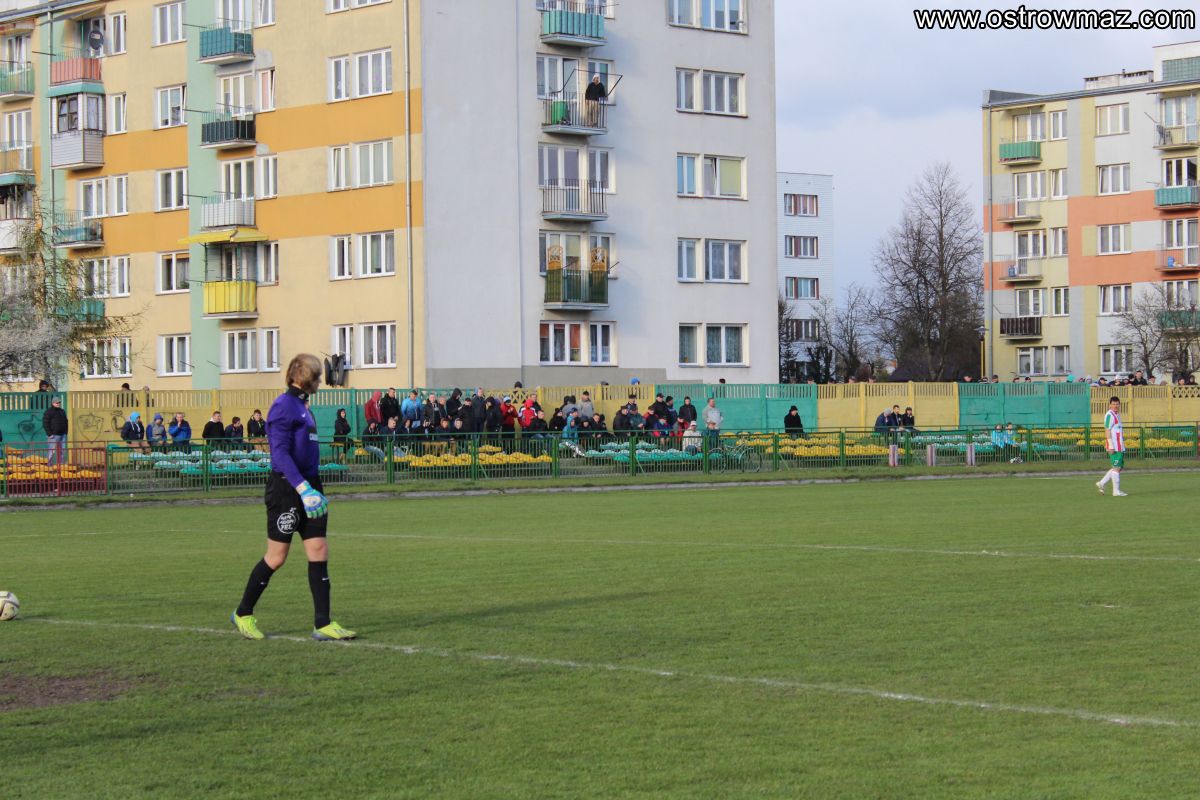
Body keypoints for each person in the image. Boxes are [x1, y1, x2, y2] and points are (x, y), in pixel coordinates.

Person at [232, 353, 356, 642]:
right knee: (277, 557)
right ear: (306, 379)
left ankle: (323, 623)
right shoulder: (283, 407)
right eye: (317, 377)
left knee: (319, 550)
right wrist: (302, 488)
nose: (320, 382)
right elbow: (280, 454)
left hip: (311, 488)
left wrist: (312, 488)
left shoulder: (303, 407)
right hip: (287, 489)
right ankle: (243, 613)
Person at [1097, 396, 1128, 496]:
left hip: (1119, 445)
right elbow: (1107, 430)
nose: (1115, 406)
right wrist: (1110, 445)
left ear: (1119, 405)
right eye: (1113, 404)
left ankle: (1101, 483)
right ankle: (1116, 491)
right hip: (1114, 446)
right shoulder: (1109, 415)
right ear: (1110, 405)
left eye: (1117, 404)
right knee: (1116, 468)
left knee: (1119, 467)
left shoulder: (1117, 414)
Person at [42, 396, 68, 465]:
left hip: (63, 435)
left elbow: (66, 421)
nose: (58, 403)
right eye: (57, 402)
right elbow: (45, 423)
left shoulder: (62, 411)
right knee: (51, 451)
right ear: (53, 403)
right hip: (53, 435)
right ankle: (49, 465)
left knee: (62, 451)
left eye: (59, 402)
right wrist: (49, 434)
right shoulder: (49, 411)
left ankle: (61, 466)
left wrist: (66, 432)